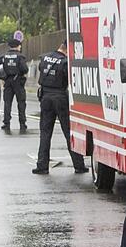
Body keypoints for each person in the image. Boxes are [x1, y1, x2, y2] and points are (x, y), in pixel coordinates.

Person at [32, 42, 88, 175]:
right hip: (60, 98)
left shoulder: (45, 58)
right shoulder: (65, 62)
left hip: (45, 97)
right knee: (68, 132)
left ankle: (42, 166)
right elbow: (69, 79)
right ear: (67, 49)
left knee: (45, 133)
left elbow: (41, 69)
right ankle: (79, 166)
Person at [0, 38, 29, 132]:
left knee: (7, 103)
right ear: (17, 46)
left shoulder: (3, 57)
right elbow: (25, 69)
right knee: (21, 103)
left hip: (7, 81)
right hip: (18, 81)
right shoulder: (20, 57)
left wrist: (3, 77)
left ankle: (6, 123)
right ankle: (22, 123)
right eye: (20, 46)